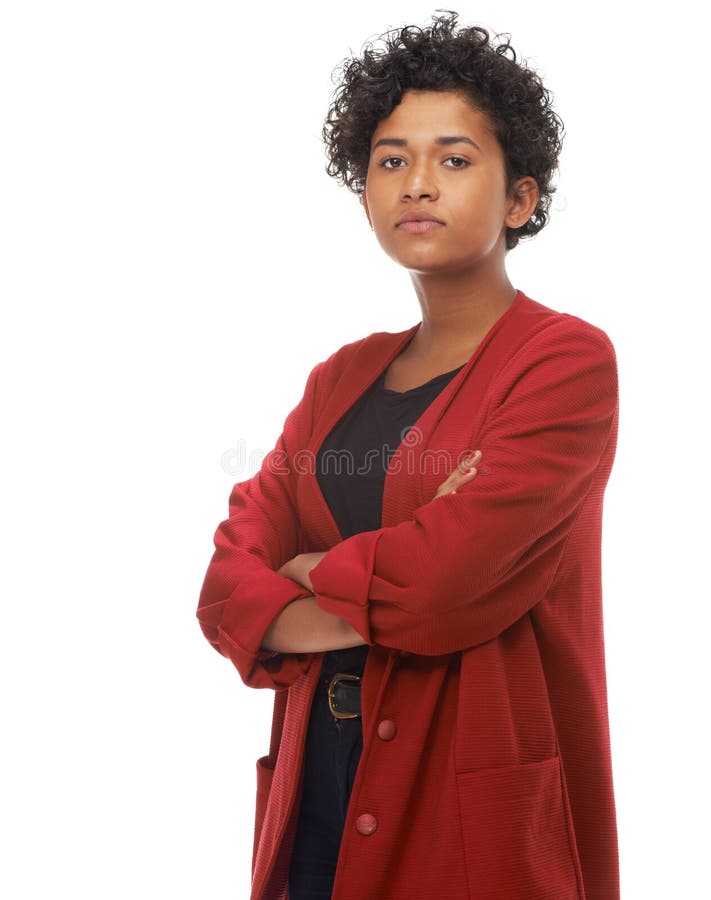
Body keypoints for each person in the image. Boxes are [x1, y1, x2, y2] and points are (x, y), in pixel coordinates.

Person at [196, 10, 620, 900]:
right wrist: (373, 572)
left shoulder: (564, 363)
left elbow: (447, 582)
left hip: (467, 801)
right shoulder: (338, 378)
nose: (417, 183)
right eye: (391, 160)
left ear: (520, 200)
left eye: (454, 159)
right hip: (319, 782)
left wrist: (307, 570)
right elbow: (230, 575)